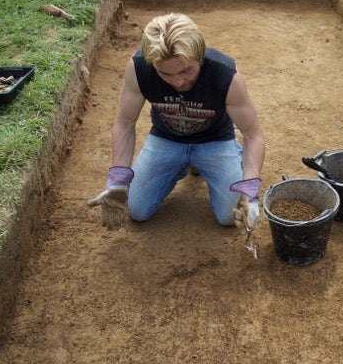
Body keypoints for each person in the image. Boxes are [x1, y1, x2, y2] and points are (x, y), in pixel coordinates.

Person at [88, 13, 265, 231]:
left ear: (199, 56)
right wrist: (118, 180)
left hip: (214, 140)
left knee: (232, 216)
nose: (178, 81)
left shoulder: (225, 76)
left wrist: (249, 188)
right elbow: (125, 123)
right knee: (136, 210)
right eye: (166, 74)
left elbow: (253, 134)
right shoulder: (139, 69)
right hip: (166, 138)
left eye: (186, 70)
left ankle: (230, 157)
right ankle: (183, 165)